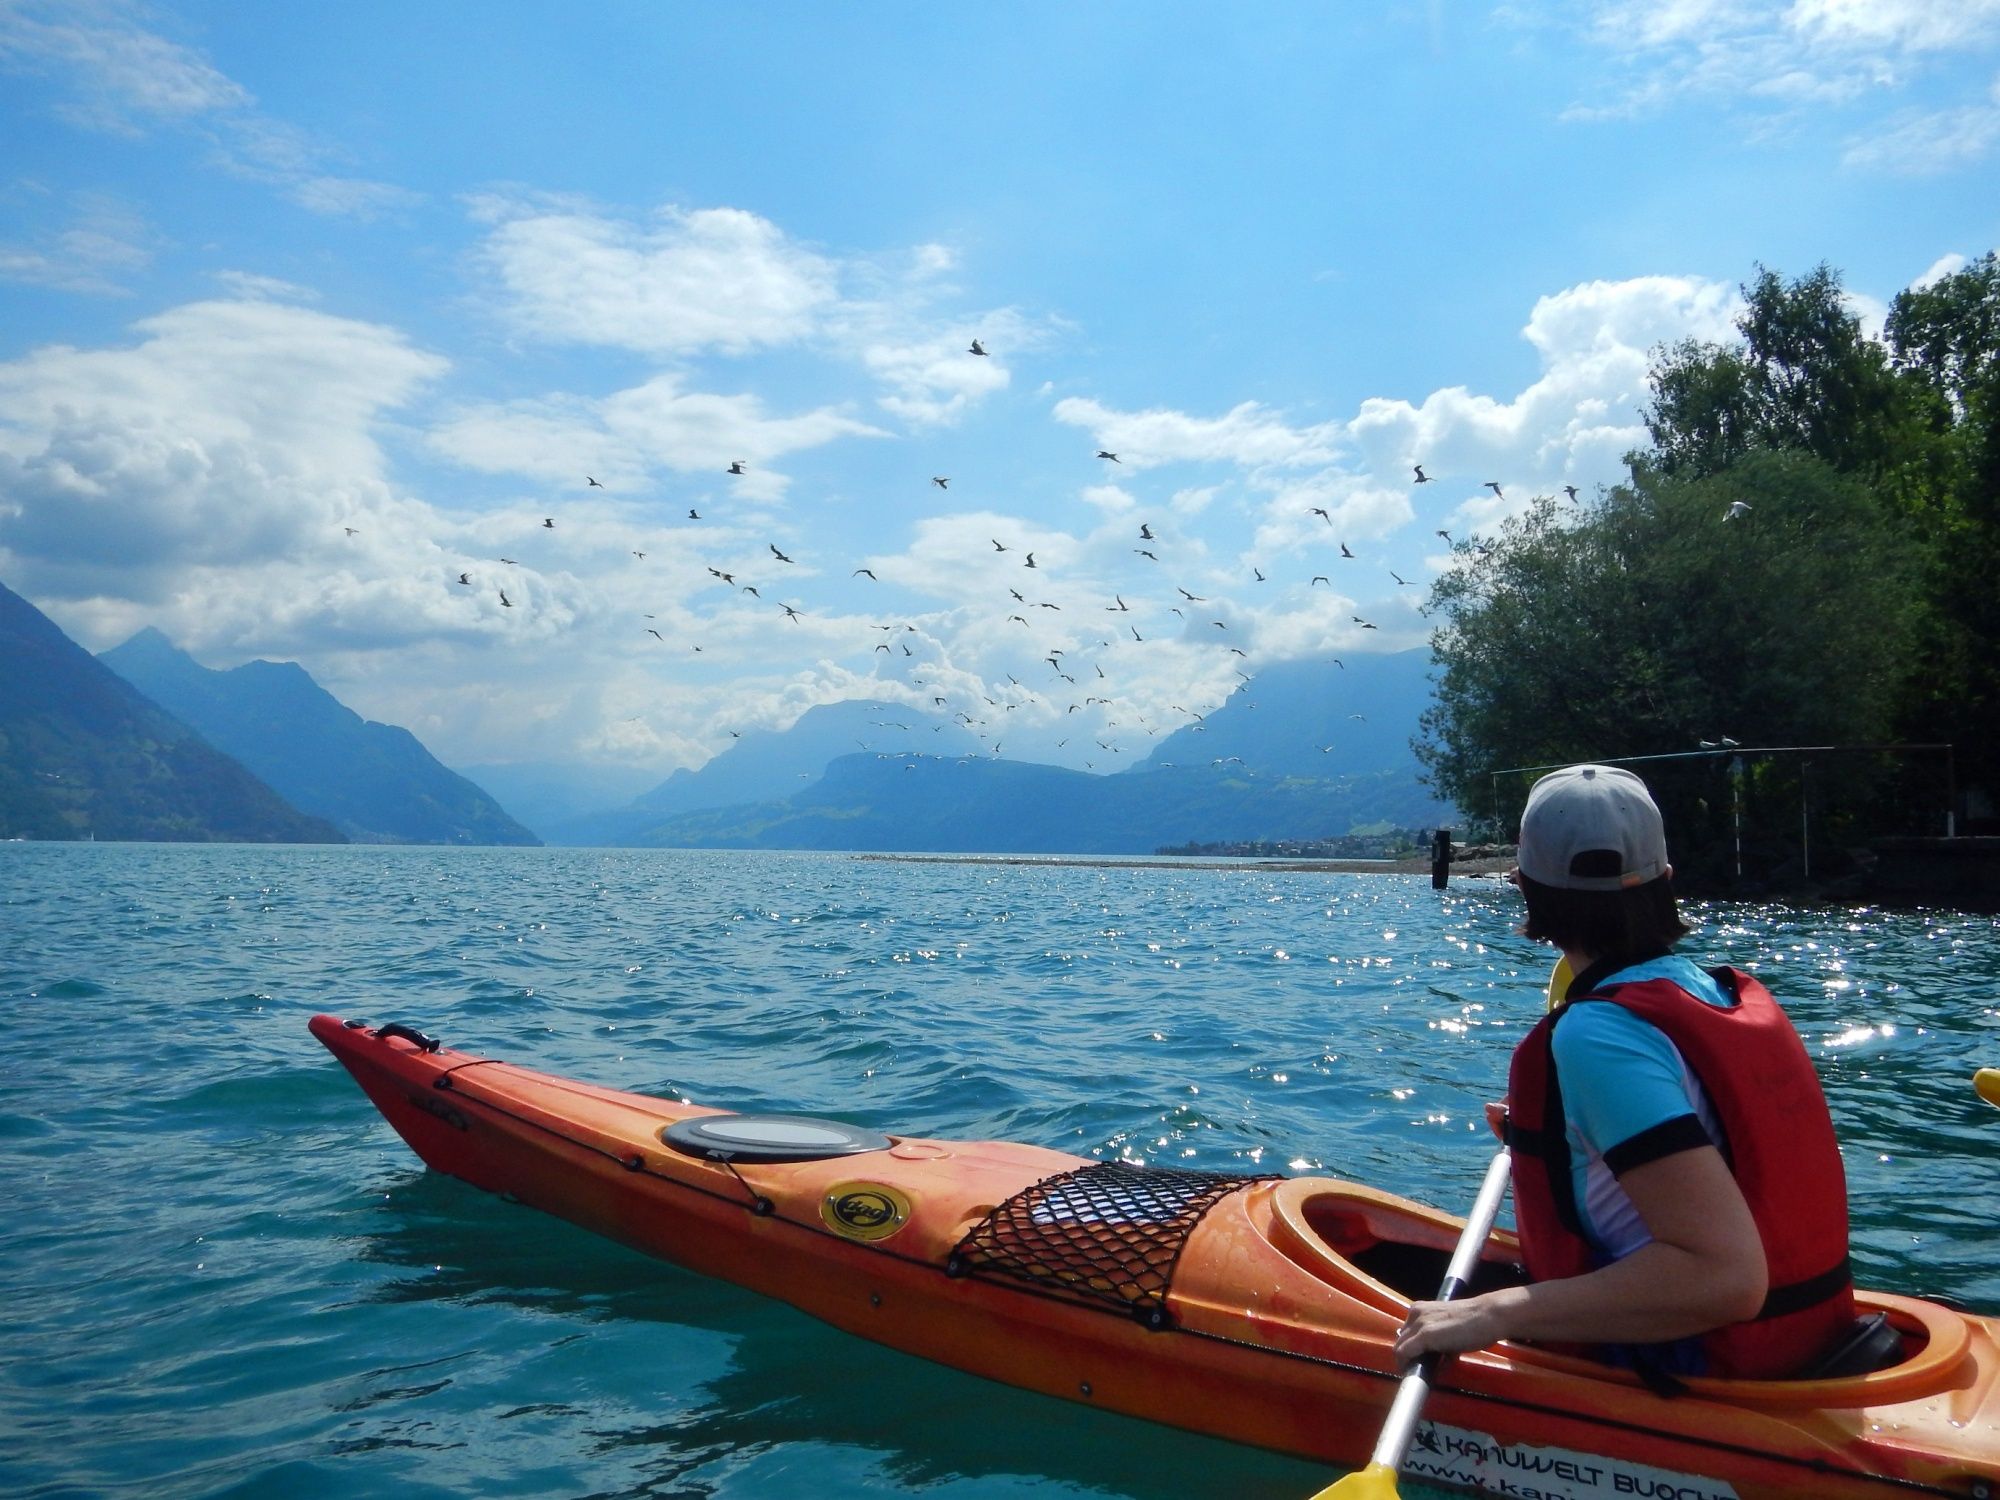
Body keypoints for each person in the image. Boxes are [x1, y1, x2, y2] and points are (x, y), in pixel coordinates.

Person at [1394, 764, 1854, 1383]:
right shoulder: (1710, 991)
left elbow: (1724, 1279)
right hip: (1813, 1343)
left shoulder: (1600, 1034)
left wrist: (1490, 1313)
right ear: (1665, 879)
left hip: (1702, 1367)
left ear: (1524, 885)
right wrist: (1567, 1140)